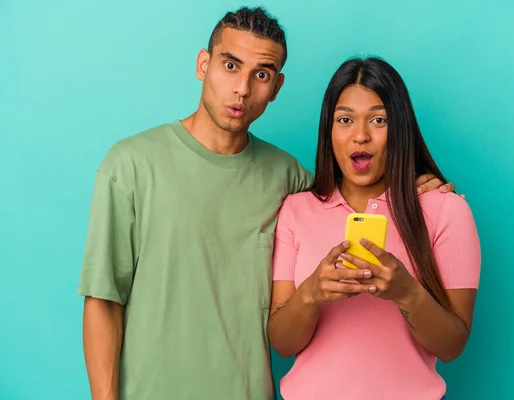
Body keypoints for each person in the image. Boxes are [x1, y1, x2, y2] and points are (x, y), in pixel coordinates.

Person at [77, 7, 455, 400]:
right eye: (229, 65)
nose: (242, 88)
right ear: (203, 64)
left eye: (261, 74)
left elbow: (354, 196)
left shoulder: (289, 178)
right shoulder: (130, 165)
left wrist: (414, 188)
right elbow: (104, 300)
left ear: (276, 88)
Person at [267, 57, 481, 400]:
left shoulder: (447, 210)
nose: (361, 135)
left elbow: (453, 345)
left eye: (378, 120)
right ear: (329, 130)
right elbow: (282, 343)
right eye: (345, 120)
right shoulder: (296, 210)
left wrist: (406, 292)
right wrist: (310, 294)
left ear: (400, 129)